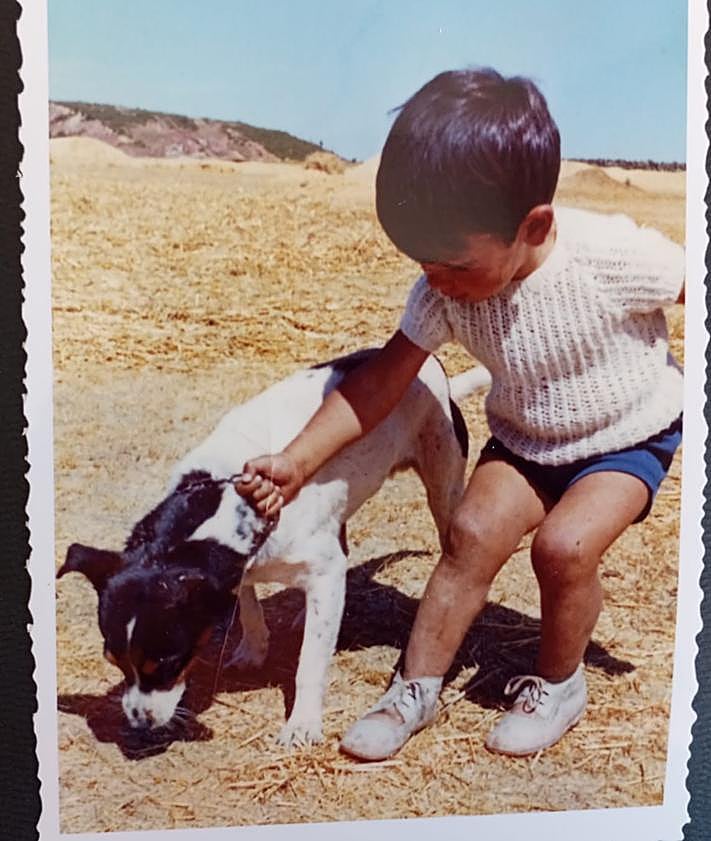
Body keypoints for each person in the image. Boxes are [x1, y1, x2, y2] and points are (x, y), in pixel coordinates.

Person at [236, 67, 685, 760]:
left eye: (449, 263)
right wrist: (295, 461)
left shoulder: (608, 256)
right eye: (421, 262)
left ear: (532, 225)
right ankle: (413, 686)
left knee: (562, 548)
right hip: (527, 437)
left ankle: (559, 684)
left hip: (626, 435)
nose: (434, 279)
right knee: (468, 531)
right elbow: (379, 382)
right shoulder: (446, 292)